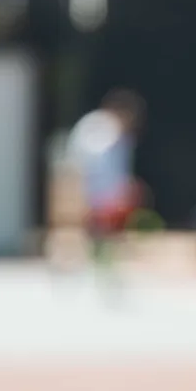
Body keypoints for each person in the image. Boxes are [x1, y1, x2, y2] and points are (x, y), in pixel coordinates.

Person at [65, 89, 147, 263]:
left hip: (108, 197)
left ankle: (105, 257)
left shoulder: (121, 135)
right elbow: (90, 165)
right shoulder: (97, 127)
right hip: (92, 193)